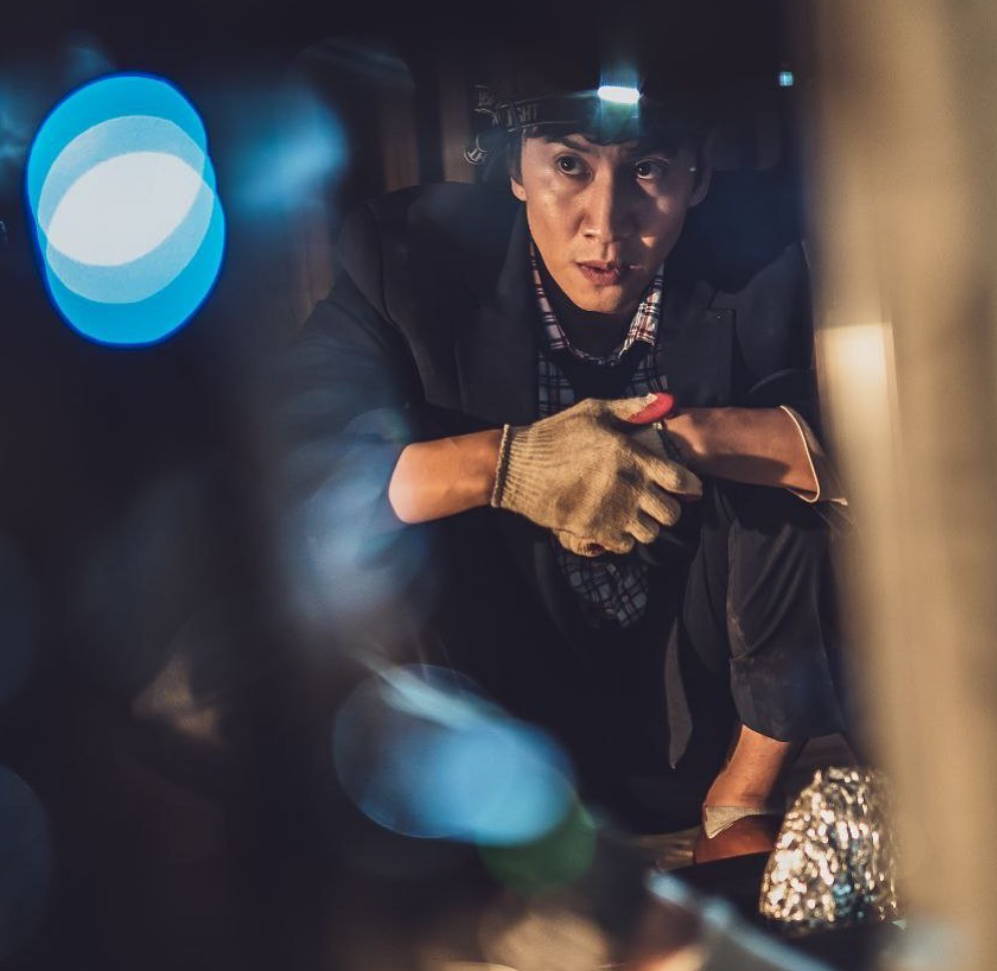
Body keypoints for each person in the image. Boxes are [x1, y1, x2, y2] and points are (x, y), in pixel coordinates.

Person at [274, 40, 847, 862]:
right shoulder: (409, 258)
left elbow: (889, 448)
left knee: (774, 430)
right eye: (570, 166)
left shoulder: (765, 258)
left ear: (698, 178)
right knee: (402, 456)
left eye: (647, 169)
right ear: (515, 170)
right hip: (500, 716)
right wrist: (506, 466)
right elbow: (294, 475)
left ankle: (741, 800)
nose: (605, 222)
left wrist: (678, 436)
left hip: (719, 720)